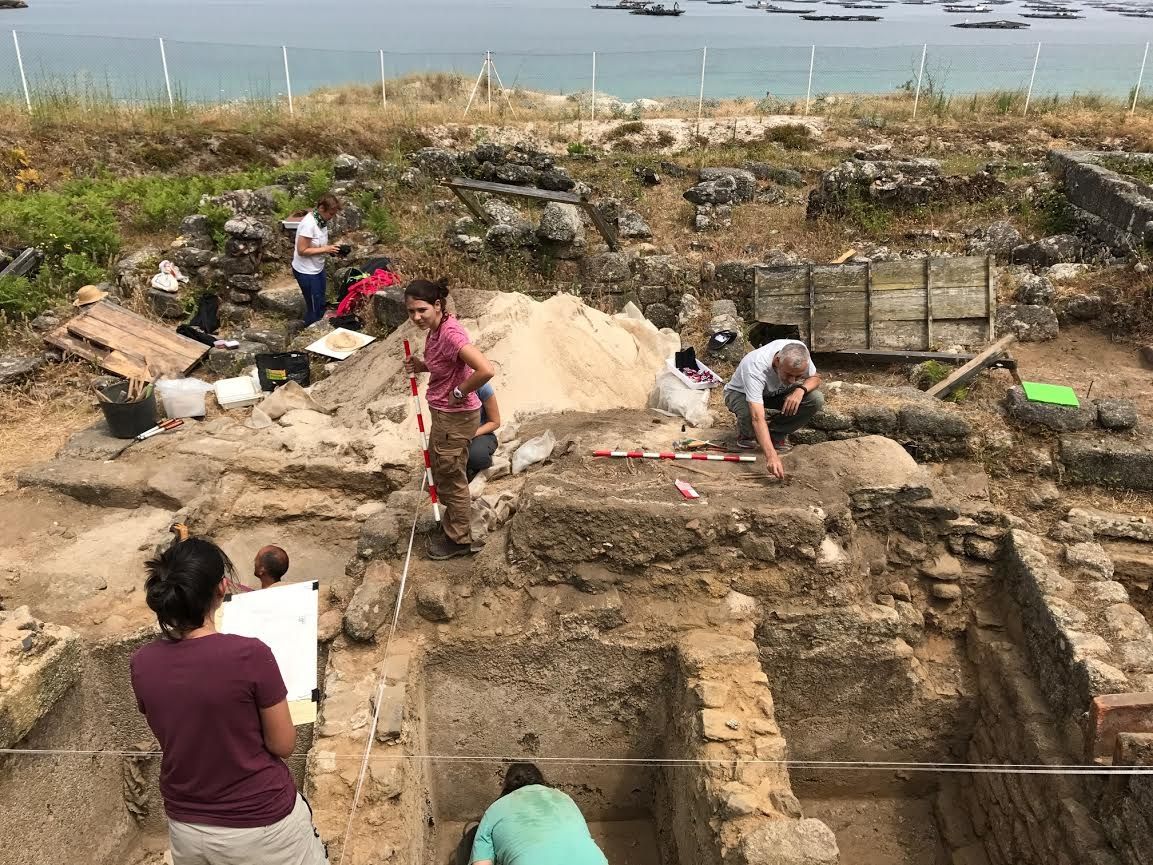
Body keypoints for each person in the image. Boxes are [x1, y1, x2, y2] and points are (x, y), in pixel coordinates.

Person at [130, 538, 327, 865]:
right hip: (262, 823)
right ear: (222, 588)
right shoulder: (251, 654)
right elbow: (282, 744)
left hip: (186, 825)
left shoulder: (142, 662)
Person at [404, 278, 494, 560]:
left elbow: (485, 369)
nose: (417, 317)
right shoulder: (437, 330)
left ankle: (459, 540)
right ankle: (455, 525)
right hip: (445, 416)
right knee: (443, 469)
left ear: (438, 305)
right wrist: (422, 366)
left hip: (454, 416)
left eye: (422, 310)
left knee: (452, 475)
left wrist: (460, 390)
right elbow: (445, 363)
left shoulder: (451, 334)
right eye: (411, 312)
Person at [458, 762, 608, 865]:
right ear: (541, 781)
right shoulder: (564, 798)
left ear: (507, 786)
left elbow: (481, 862)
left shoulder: (495, 809)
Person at [723, 339, 823, 481]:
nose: (793, 380)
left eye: (798, 376)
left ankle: (775, 435)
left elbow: (816, 378)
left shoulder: (800, 352)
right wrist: (771, 457)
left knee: (815, 399)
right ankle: (746, 435)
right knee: (748, 414)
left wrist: (800, 390)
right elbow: (757, 417)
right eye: (788, 374)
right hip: (741, 393)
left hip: (775, 393)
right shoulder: (755, 366)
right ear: (777, 361)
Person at [292, 194, 343, 326]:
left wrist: (332, 249)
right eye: (331, 213)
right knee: (314, 306)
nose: (332, 217)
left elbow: (318, 244)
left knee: (320, 301)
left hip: (317, 268)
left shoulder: (321, 221)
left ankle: (318, 321)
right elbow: (302, 251)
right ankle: (310, 329)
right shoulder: (309, 225)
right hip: (306, 271)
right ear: (321, 209)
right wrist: (326, 250)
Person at [467, 381, 501, 481]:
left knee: (477, 457)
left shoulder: (482, 386)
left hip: (481, 433)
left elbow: (495, 422)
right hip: (454, 436)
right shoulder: (443, 386)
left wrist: (471, 434)